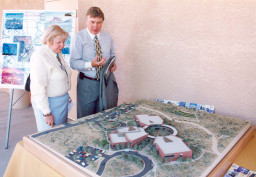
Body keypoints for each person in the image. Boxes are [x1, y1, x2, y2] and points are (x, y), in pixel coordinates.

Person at [70, 7, 117, 118]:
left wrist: (113, 65)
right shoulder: (78, 37)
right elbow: (73, 63)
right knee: (85, 117)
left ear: (102, 22)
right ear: (86, 21)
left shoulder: (107, 37)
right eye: (92, 22)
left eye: (98, 22)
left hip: (105, 82)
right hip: (87, 83)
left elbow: (112, 55)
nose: (95, 26)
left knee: (104, 115)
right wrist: (91, 64)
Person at [30, 25, 72, 132]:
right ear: (49, 40)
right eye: (59, 42)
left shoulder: (56, 52)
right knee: (49, 136)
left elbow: (62, 75)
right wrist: (46, 113)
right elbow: (38, 87)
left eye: (64, 42)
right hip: (49, 104)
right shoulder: (40, 56)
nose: (62, 45)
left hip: (60, 103)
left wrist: (66, 93)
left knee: (60, 133)